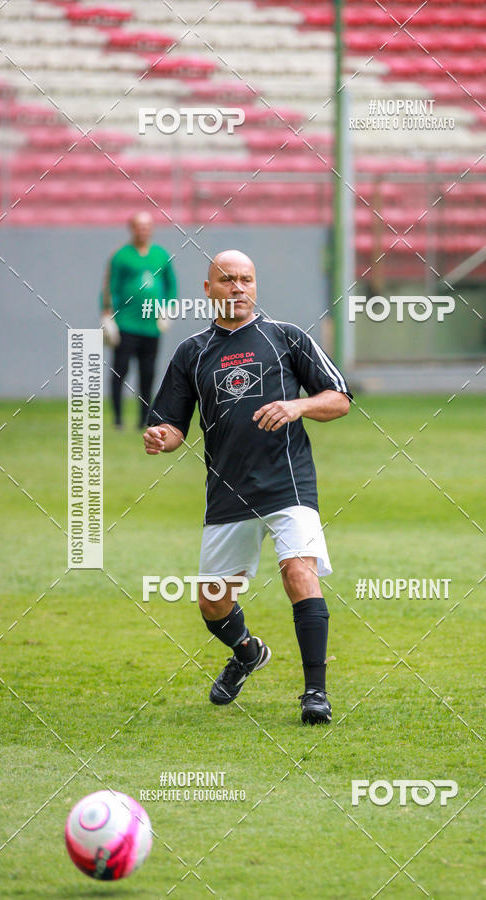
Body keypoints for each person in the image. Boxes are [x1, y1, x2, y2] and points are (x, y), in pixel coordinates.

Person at [143, 250, 352, 724]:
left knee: (298, 572)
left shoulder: (286, 338)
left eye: (246, 279)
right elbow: (172, 426)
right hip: (228, 491)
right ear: (208, 289)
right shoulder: (192, 353)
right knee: (213, 601)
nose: (238, 287)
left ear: (255, 286)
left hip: (287, 483)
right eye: (227, 280)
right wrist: (162, 437)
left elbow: (338, 399)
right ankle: (246, 652)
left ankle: (315, 694)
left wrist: (298, 408)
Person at [101, 212, 177, 429]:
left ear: (151, 229)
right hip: (126, 324)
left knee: (148, 373)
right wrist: (107, 314)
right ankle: (117, 419)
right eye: (138, 226)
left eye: (146, 226)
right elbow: (109, 286)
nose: (142, 230)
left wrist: (169, 308)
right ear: (132, 228)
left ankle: (144, 419)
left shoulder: (161, 255)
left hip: (151, 326)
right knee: (120, 370)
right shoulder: (121, 255)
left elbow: (171, 285)